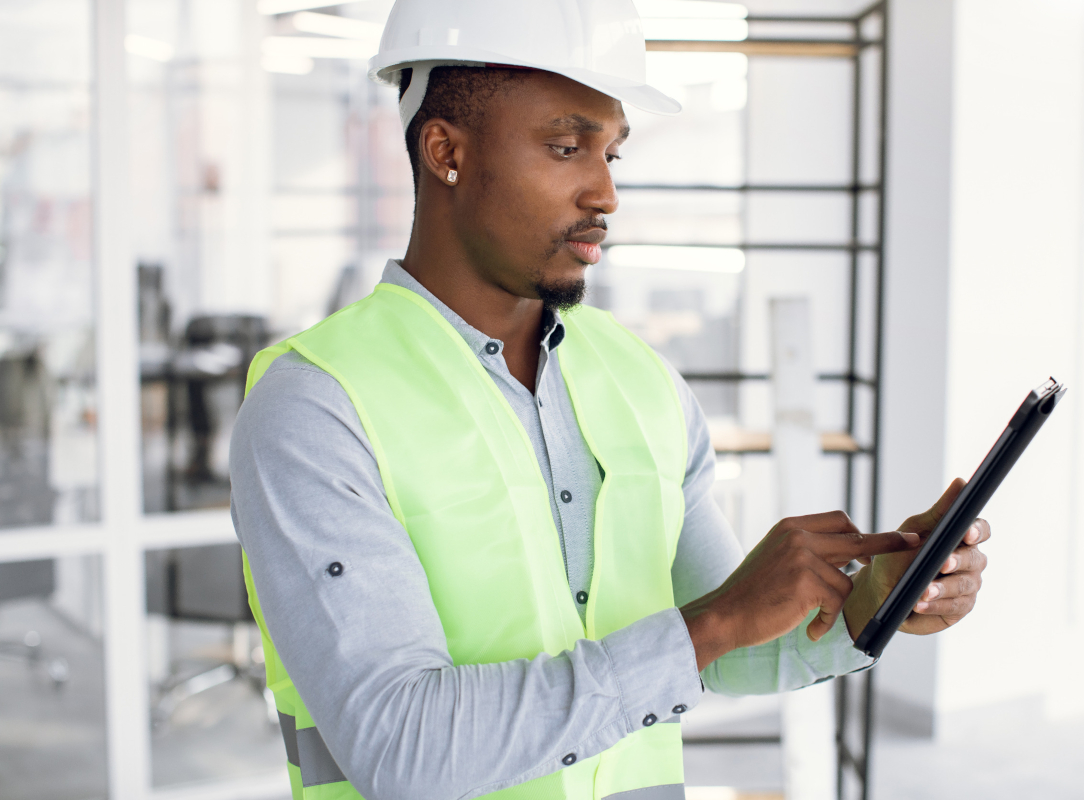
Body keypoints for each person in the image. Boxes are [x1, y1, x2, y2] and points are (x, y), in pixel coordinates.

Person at [230, 2, 990, 799]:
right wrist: (716, 620)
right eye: (566, 148)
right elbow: (402, 746)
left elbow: (723, 650)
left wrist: (879, 598)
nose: (605, 193)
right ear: (445, 150)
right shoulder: (316, 406)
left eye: (612, 154)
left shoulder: (642, 381)